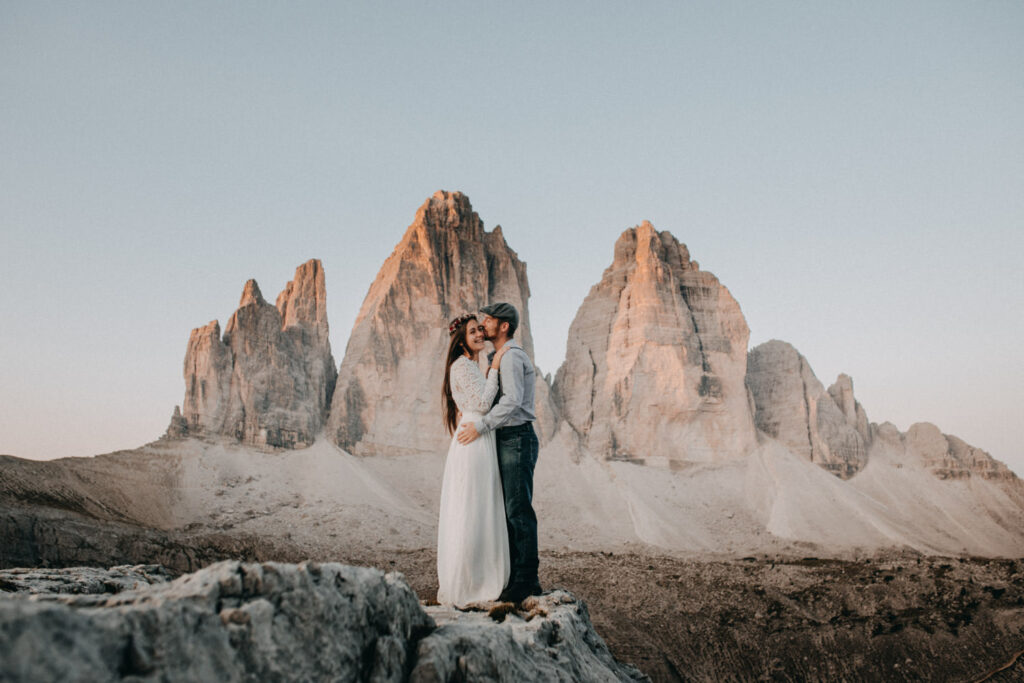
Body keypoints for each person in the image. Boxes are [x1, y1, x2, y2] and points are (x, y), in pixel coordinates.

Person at [457, 302, 541, 604]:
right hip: (508, 438)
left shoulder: (510, 357)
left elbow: (513, 401)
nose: (485, 324)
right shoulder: (499, 357)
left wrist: (481, 426)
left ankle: (526, 581)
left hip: (516, 437)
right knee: (510, 509)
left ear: (504, 326)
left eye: (490, 320)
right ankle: (521, 577)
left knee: (518, 510)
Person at [436, 313, 512, 607]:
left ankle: (477, 578)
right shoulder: (462, 365)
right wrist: (494, 368)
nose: (480, 334)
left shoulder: (466, 365)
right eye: (473, 332)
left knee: (479, 505)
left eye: (481, 329)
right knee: (474, 506)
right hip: (474, 437)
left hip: (478, 435)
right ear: (461, 340)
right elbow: (482, 403)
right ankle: (472, 584)